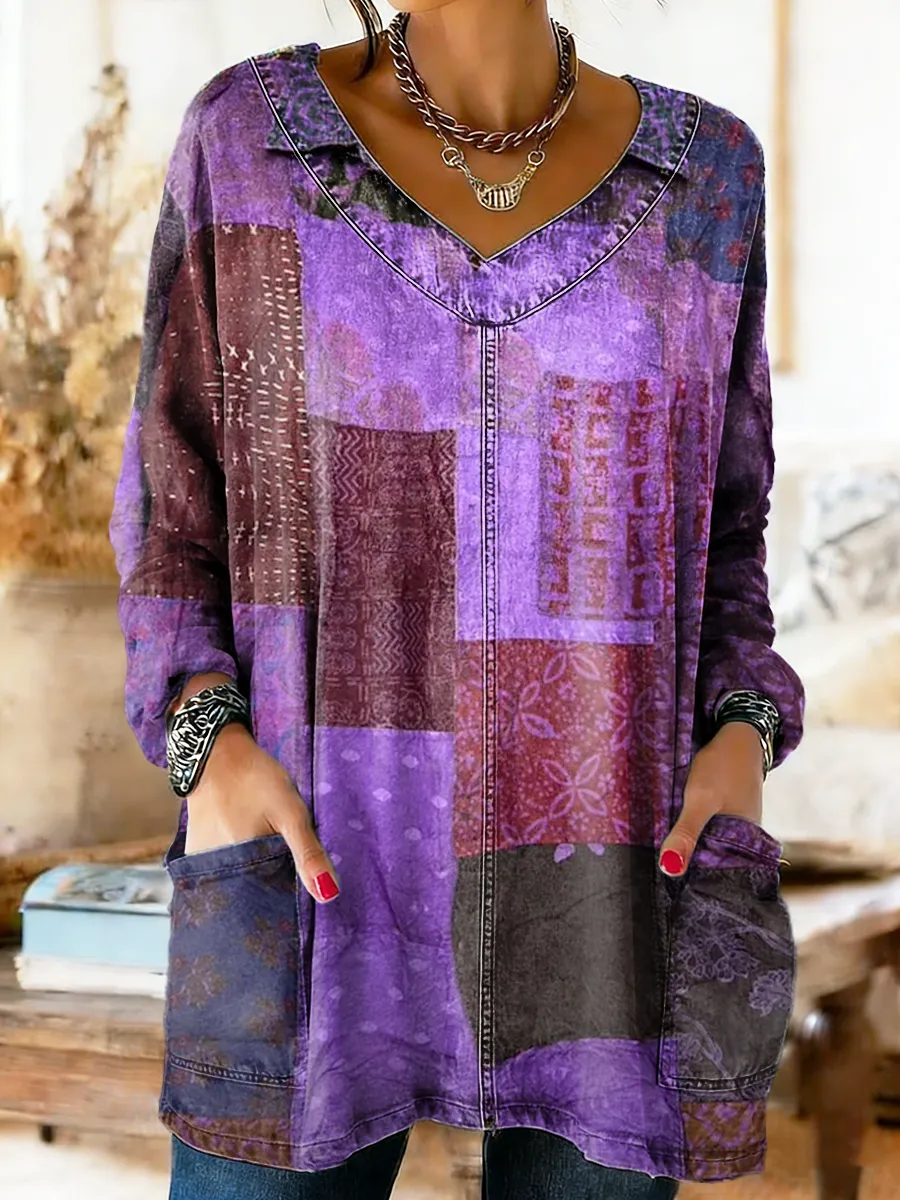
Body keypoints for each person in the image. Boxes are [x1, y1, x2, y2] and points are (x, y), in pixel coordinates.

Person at [109, 0, 805, 1196]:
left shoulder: (709, 176)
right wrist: (205, 744)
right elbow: (174, 510)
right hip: (311, 871)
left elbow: (727, 529)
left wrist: (742, 731)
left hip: (612, 887)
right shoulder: (250, 140)